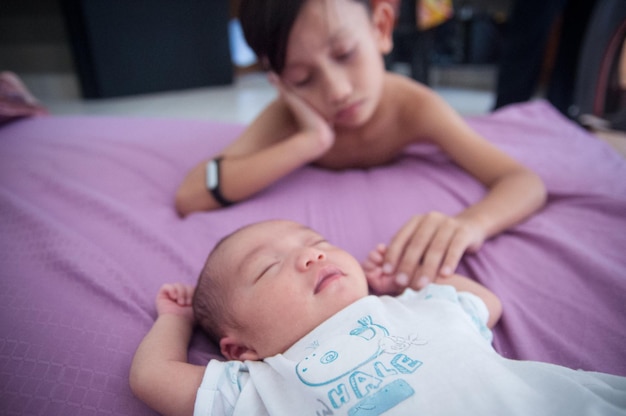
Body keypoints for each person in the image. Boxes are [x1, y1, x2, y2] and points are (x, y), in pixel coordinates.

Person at [174, 0, 547, 291]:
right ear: (281, 83)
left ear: (381, 28)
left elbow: (522, 181)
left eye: (344, 54)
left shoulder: (413, 108)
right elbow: (193, 193)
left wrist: (471, 225)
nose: (337, 91)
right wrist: (307, 142)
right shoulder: (287, 118)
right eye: (302, 79)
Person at [130, 220, 626, 416]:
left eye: (317, 243)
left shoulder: (416, 307)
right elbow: (153, 378)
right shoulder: (258, 384)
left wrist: (399, 285)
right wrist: (175, 318)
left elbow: (483, 303)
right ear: (240, 348)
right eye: (266, 268)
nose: (310, 257)